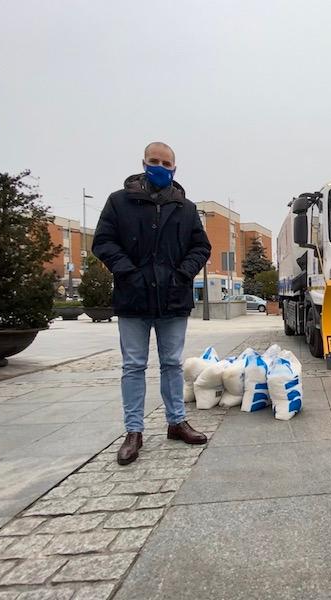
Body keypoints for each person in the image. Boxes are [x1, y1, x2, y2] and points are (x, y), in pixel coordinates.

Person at [93, 141, 212, 465]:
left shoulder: (185, 208)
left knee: (172, 363)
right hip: (133, 297)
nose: (160, 167)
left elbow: (201, 247)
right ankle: (134, 431)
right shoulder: (119, 202)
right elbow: (103, 241)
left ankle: (176, 422)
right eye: (154, 161)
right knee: (133, 365)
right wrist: (128, 272)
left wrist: (182, 274)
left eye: (166, 163)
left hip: (173, 298)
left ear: (174, 168)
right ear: (144, 163)